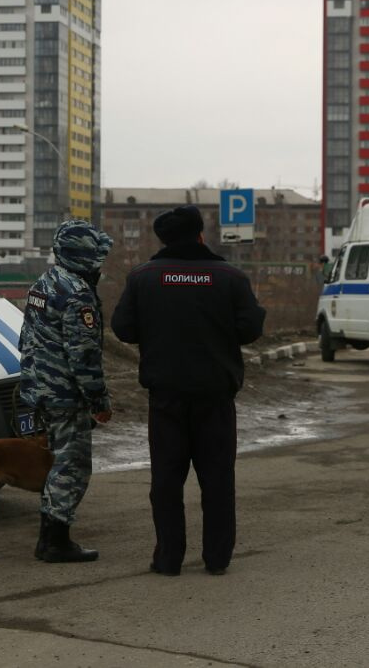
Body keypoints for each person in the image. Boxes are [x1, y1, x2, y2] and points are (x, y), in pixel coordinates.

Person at [111, 204, 266, 576]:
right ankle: (217, 559)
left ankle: (168, 559)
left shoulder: (143, 277)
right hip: (215, 397)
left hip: (166, 398)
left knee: (166, 481)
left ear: (162, 239)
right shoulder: (229, 277)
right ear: (200, 235)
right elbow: (249, 329)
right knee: (217, 481)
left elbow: (124, 329)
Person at [18, 219, 114, 563]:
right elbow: (83, 357)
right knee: (71, 467)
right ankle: (55, 541)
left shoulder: (43, 284)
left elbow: (26, 338)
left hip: (37, 389)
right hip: (65, 396)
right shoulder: (78, 295)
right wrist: (99, 399)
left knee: (55, 462)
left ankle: (51, 537)